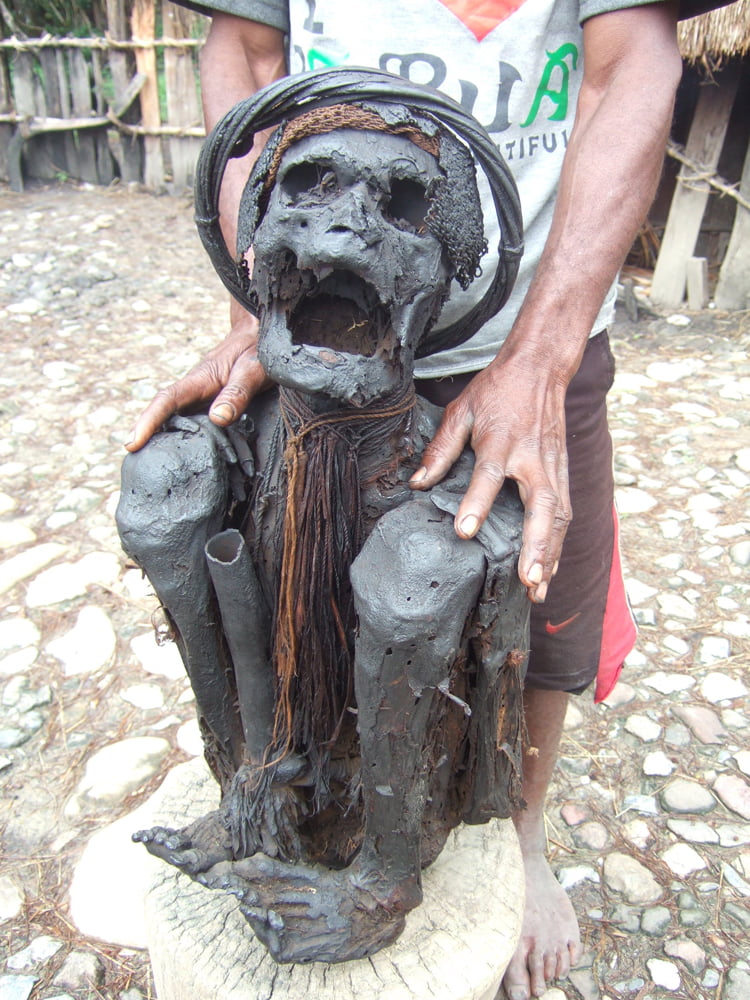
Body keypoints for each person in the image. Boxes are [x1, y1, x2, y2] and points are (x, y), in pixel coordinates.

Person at [125, 3, 685, 996]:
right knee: (170, 497)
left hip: (528, 335)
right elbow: (246, 49)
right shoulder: (287, 242)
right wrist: (261, 308)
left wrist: (542, 356)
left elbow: (631, 59)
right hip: (296, 333)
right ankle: (250, 789)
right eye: (313, 193)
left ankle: (494, 845)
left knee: (475, 592)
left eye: (390, 203)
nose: (345, 224)